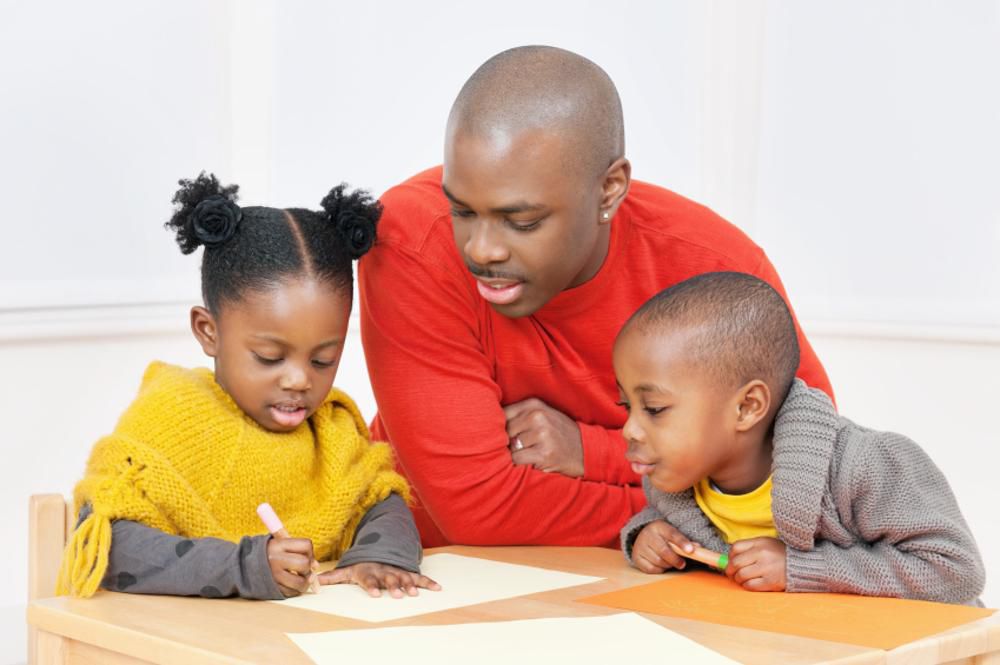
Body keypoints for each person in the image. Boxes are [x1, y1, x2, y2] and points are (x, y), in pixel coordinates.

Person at [360, 45, 834, 547]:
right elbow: (481, 511)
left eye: (523, 222)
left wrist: (593, 452)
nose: (481, 249)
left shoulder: (718, 268)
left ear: (610, 189)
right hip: (433, 585)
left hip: (667, 586)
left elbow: (811, 481)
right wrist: (713, 517)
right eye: (461, 211)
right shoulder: (412, 238)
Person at [57, 173, 440, 600]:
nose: (299, 380)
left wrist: (380, 555)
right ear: (208, 332)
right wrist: (243, 566)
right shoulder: (171, 416)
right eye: (270, 357)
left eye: (322, 360)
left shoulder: (331, 431)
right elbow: (110, 547)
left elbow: (382, 502)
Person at [616, 272, 984, 604]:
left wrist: (802, 568)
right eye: (625, 405)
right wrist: (649, 536)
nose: (629, 429)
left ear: (746, 407)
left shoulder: (865, 465)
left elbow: (955, 571)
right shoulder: (680, 483)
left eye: (654, 408)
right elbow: (691, 531)